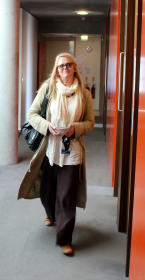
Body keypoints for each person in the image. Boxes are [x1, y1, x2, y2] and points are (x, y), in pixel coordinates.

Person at [17, 52, 95, 256]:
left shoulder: (84, 94)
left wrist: (76, 128)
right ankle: (51, 215)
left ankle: (64, 239)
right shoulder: (48, 89)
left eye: (69, 65)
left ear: (75, 68)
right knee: (47, 191)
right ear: (57, 70)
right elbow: (31, 115)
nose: (65, 68)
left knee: (66, 197)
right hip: (50, 150)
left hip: (72, 151)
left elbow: (90, 122)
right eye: (61, 66)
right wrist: (46, 126)